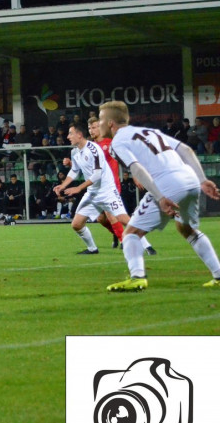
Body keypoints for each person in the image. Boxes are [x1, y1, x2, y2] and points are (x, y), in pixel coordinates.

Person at [97, 100, 220, 291]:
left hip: (168, 183)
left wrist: (160, 197)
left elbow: (136, 168)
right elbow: (185, 150)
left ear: (111, 123)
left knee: (131, 233)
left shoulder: (118, 142)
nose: (99, 123)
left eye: (101, 119)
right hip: (189, 178)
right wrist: (202, 179)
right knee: (186, 229)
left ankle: (137, 277)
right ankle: (219, 275)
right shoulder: (150, 132)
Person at [52, 121, 134, 256]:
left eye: (70, 133)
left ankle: (134, 241)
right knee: (82, 223)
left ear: (79, 135)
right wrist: (63, 185)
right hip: (92, 191)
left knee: (118, 218)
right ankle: (93, 248)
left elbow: (98, 173)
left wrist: (78, 188)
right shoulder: (77, 151)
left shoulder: (98, 147)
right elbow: (76, 169)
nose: (68, 136)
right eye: (89, 127)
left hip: (107, 189)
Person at [89, 116, 156, 254]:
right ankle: (118, 234)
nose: (91, 130)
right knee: (101, 219)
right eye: (89, 128)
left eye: (94, 127)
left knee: (115, 216)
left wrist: (135, 175)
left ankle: (135, 243)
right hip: (97, 188)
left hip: (111, 186)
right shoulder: (91, 147)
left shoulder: (110, 143)